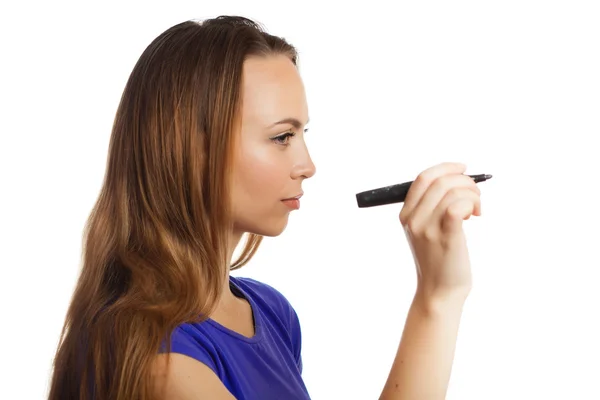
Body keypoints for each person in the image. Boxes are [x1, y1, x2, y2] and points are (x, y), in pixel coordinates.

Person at [47, 15, 483, 400]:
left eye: (302, 133)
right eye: (281, 137)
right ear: (188, 150)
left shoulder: (270, 314)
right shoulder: (162, 368)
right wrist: (436, 299)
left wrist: (441, 296)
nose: (307, 166)